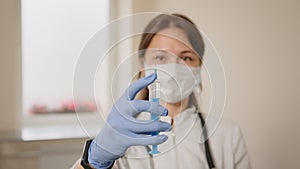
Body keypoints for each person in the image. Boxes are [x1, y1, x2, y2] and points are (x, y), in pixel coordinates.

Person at [72, 13, 251, 169]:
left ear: (199, 65)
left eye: (186, 57)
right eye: (160, 57)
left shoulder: (227, 135)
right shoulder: (122, 135)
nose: (173, 67)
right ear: (142, 64)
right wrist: (95, 162)